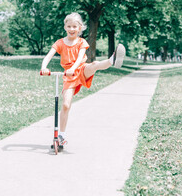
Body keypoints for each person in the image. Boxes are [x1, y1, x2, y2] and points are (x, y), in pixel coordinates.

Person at [40, 12, 125, 146]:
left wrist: (73, 68)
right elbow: (48, 56)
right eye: (69, 26)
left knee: (94, 65)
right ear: (65, 27)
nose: (72, 29)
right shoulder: (60, 43)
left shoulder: (81, 42)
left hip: (80, 69)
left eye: (75, 26)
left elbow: (80, 57)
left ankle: (112, 60)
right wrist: (44, 67)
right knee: (66, 105)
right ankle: (61, 136)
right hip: (68, 76)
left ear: (80, 28)